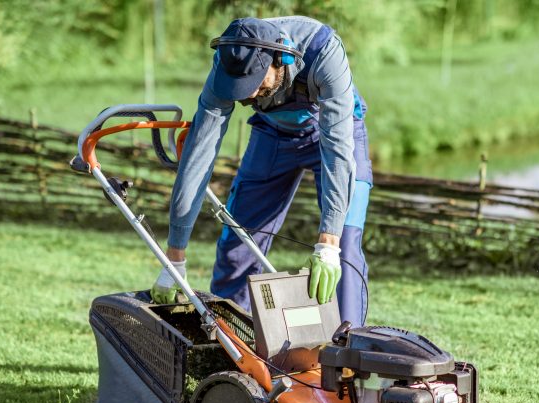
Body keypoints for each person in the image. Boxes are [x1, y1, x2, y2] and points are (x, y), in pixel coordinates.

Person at [150, 16, 372, 327]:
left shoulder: (324, 51)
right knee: (239, 239)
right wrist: (175, 257)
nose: (247, 97)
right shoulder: (227, 63)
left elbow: (338, 151)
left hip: (337, 134)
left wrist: (328, 243)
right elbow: (197, 158)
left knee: (344, 246)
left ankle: (346, 359)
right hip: (272, 135)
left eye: (255, 84)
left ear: (280, 59)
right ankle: (232, 344)